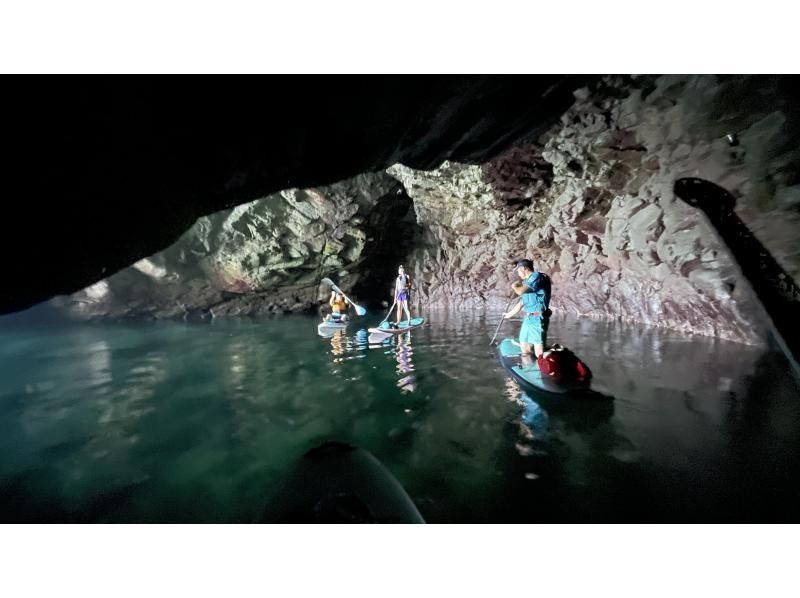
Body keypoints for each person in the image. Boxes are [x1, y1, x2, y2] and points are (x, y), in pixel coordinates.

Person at [503, 258, 551, 361]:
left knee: (539, 350)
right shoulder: (527, 282)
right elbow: (522, 303)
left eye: (518, 271)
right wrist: (508, 314)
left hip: (538, 318)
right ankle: (528, 367)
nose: (518, 274)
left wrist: (514, 286)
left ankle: (543, 368)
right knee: (524, 344)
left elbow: (520, 292)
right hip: (528, 318)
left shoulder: (536, 277)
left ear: (524, 268)